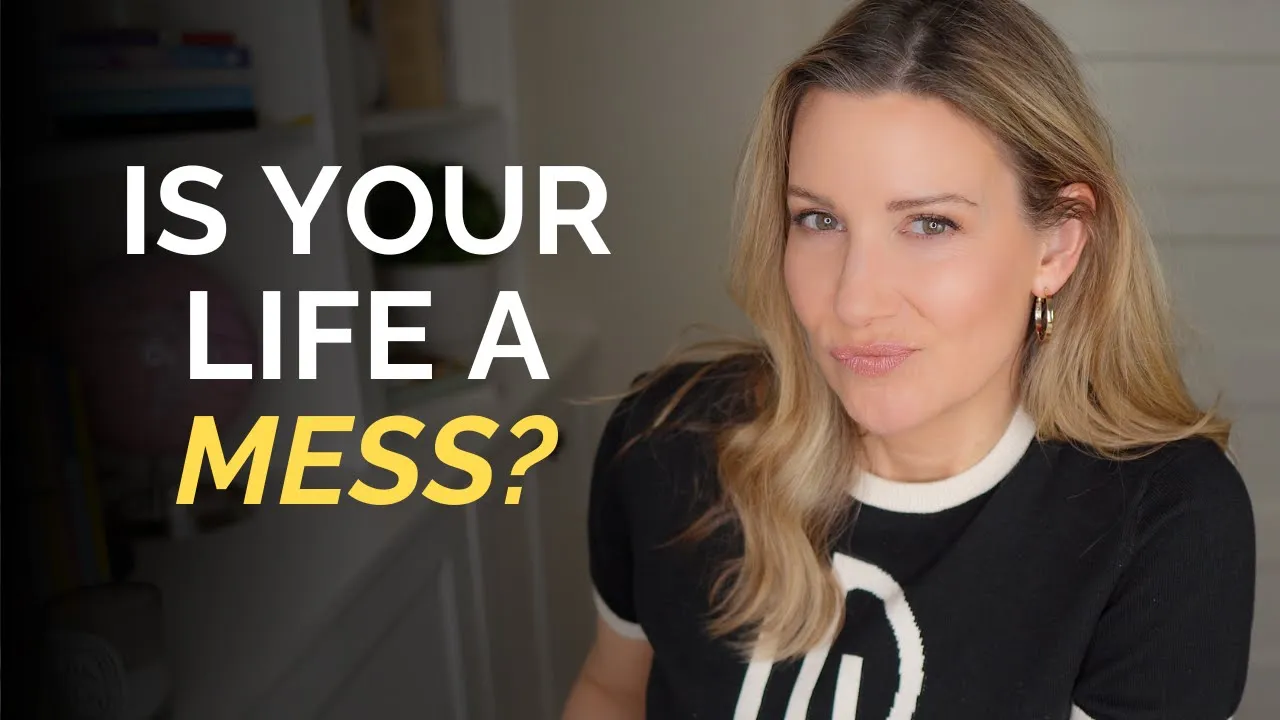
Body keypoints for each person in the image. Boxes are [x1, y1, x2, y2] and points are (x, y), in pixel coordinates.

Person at [561, 0, 1256, 718]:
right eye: (819, 219)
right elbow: (613, 692)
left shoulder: (1163, 525)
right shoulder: (668, 442)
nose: (855, 299)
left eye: (929, 224)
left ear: (1056, 246)